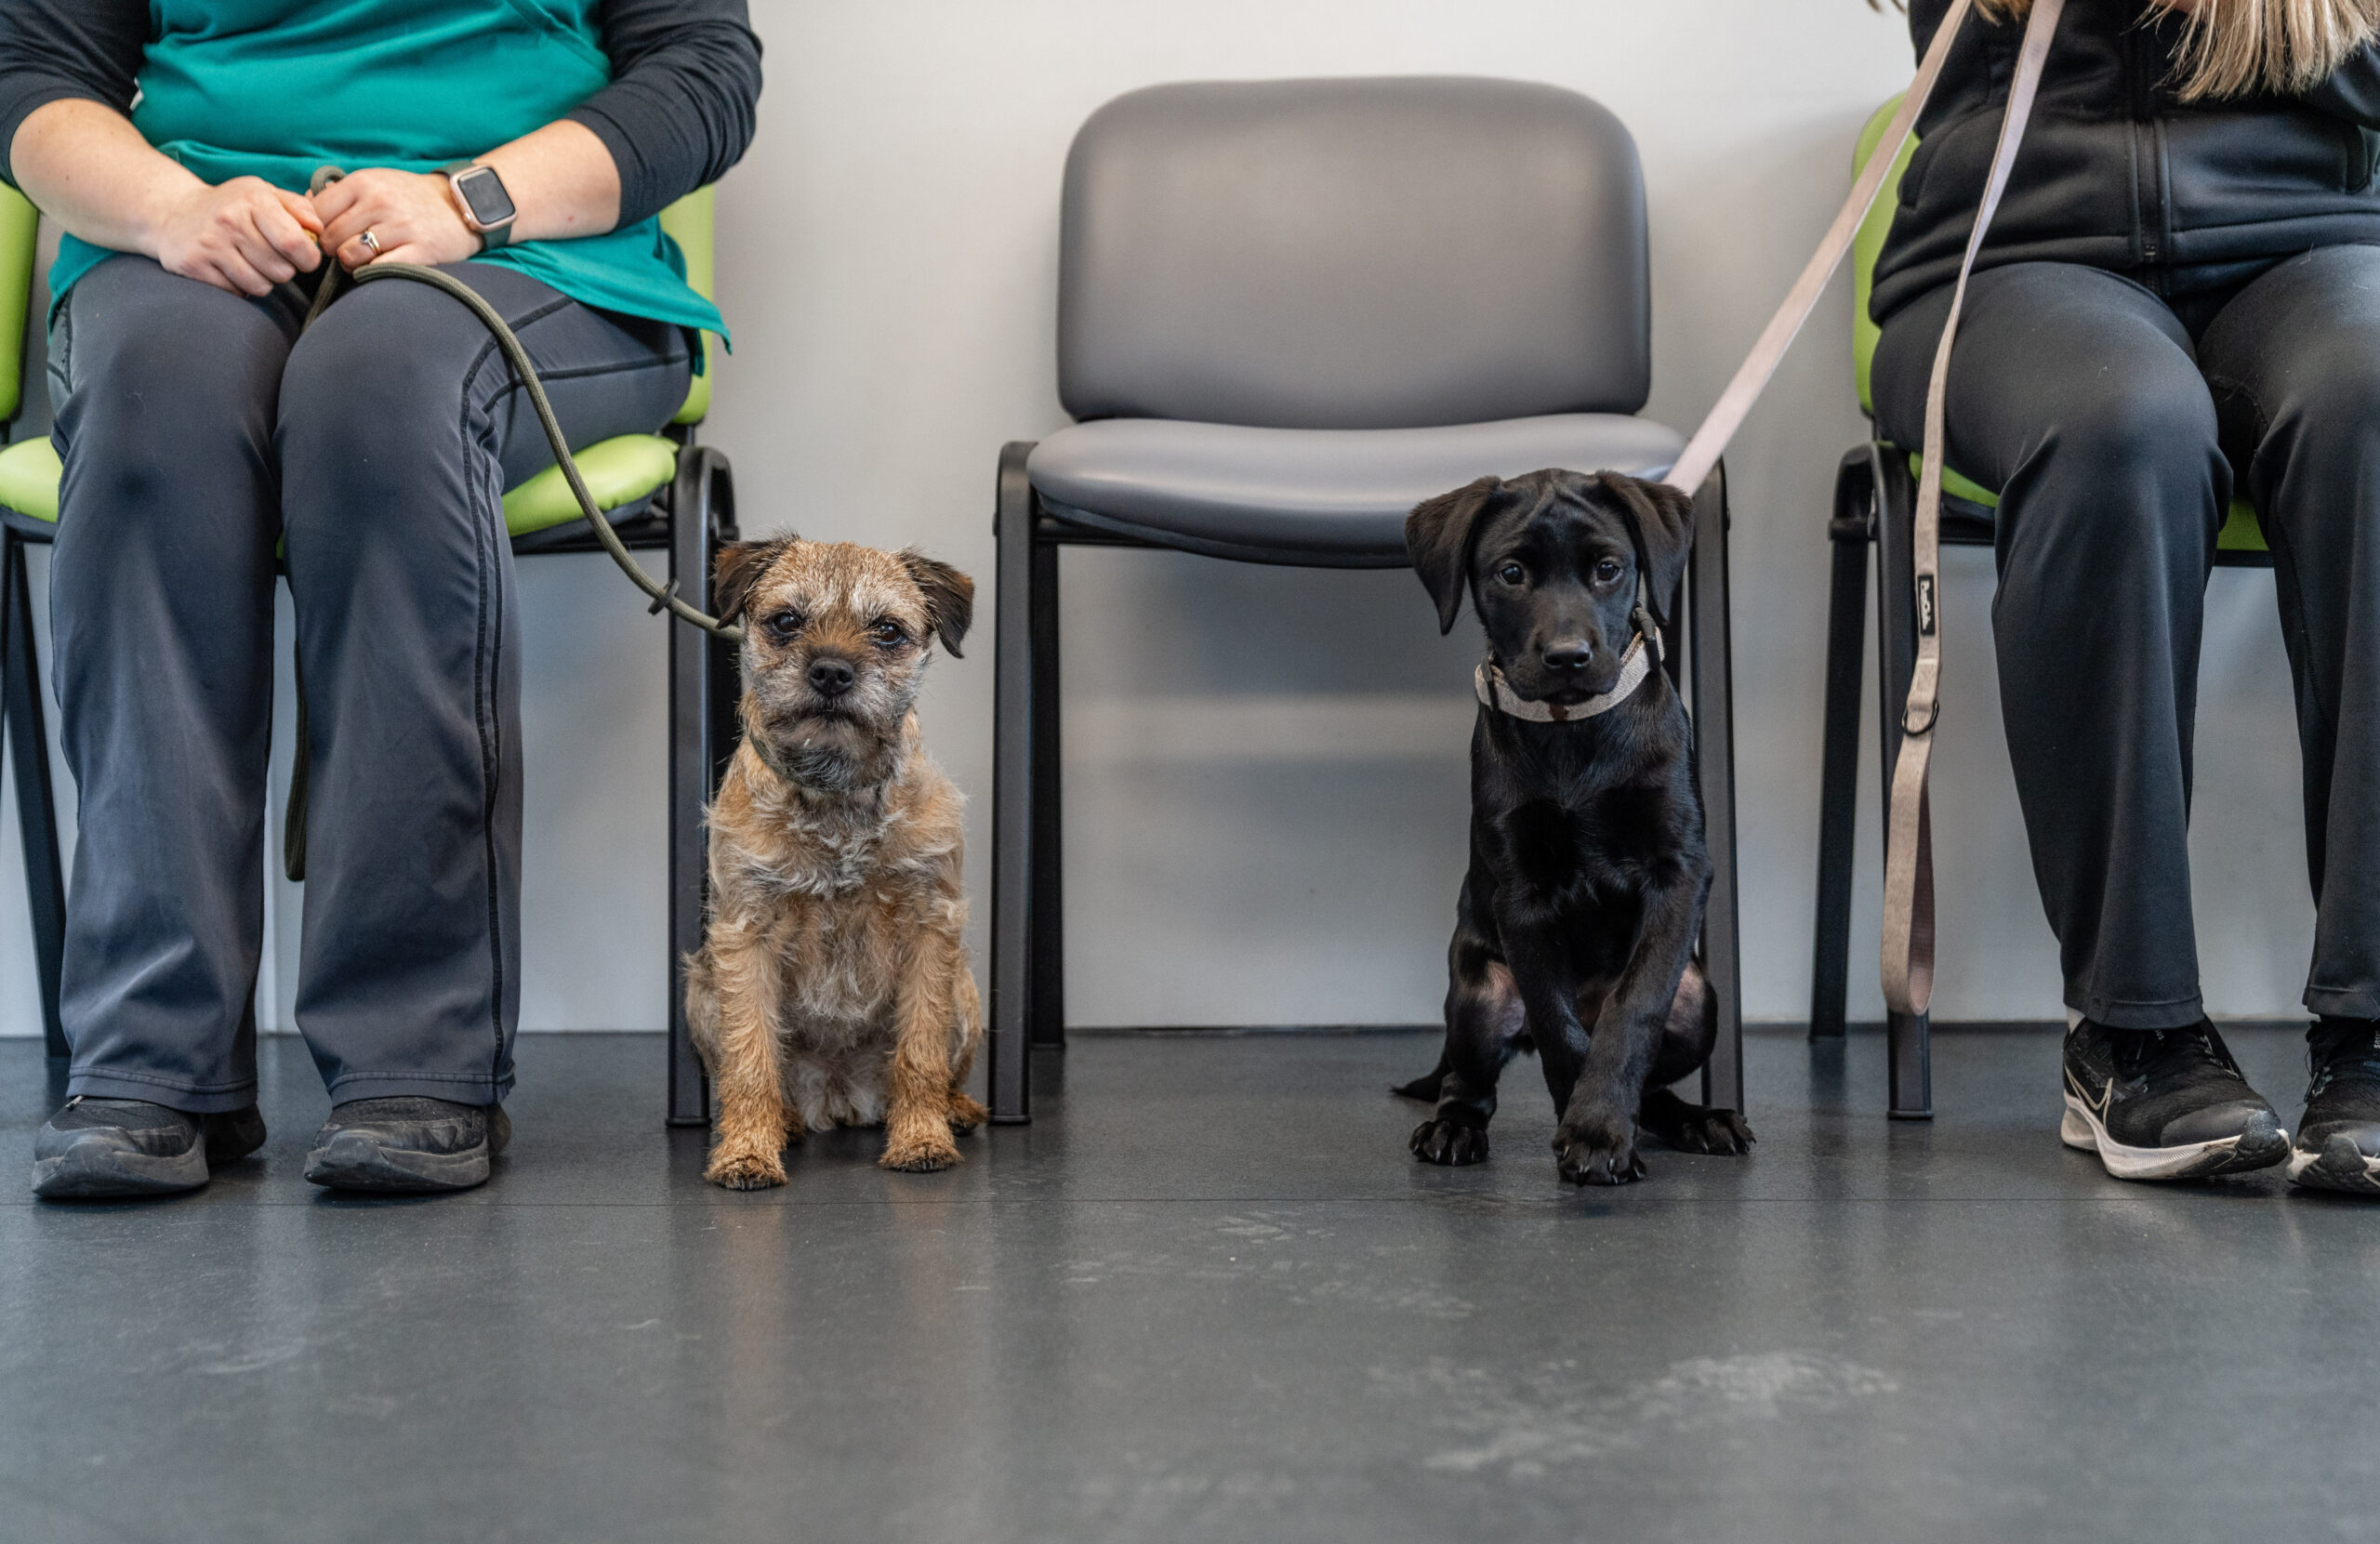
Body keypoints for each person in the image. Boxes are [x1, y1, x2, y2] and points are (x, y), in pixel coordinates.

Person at [3, 0, 761, 1198]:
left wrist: (472, 202)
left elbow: (705, 74)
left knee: (377, 393)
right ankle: (149, 1056)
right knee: (153, 407)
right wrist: (168, 209)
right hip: (194, 240)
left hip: (527, 255)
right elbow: (31, 70)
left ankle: (417, 1055)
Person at [1870, 0, 2380, 1190]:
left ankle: (2370, 1028)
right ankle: (2131, 1028)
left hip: (2303, 242)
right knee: (2126, 425)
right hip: (2012, 259)